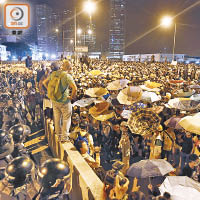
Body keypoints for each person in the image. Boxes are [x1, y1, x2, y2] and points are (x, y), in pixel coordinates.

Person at [43, 61, 77, 141]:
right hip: (64, 101)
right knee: (66, 118)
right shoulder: (67, 76)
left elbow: (44, 82)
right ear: (69, 68)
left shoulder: (54, 74)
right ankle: (64, 137)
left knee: (57, 118)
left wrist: (50, 91)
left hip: (54, 100)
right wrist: (71, 97)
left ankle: (58, 135)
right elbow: (75, 88)